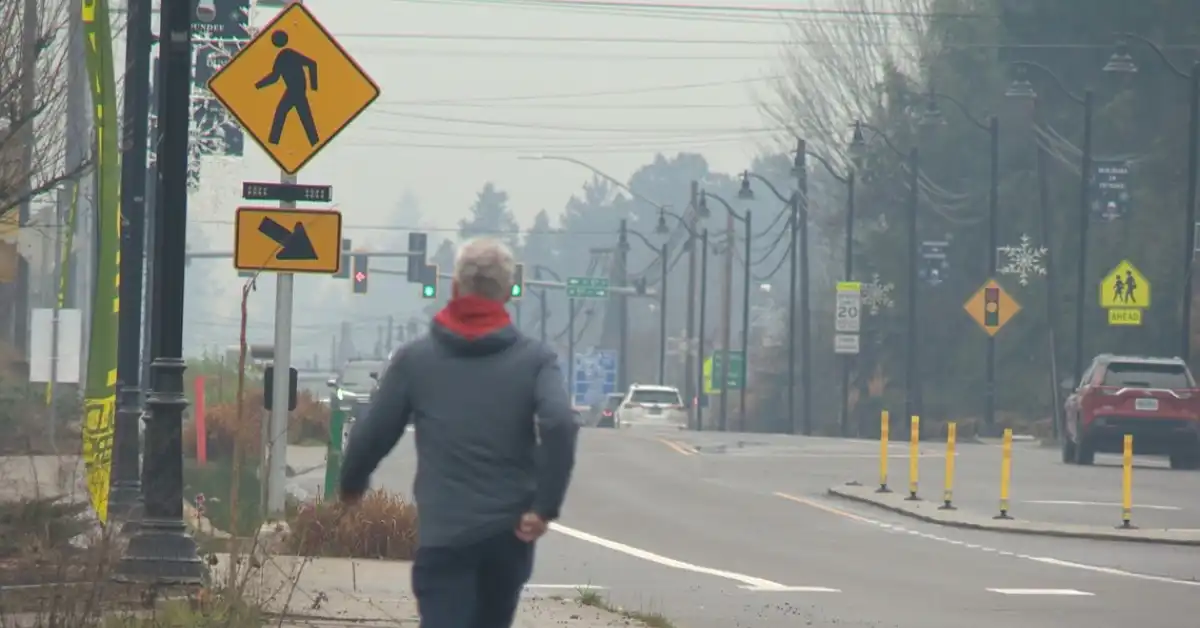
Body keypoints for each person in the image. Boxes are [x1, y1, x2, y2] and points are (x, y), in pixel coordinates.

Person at [339, 237, 579, 628]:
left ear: (454, 288)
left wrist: (352, 484)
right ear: (506, 293)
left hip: (444, 536)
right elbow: (560, 422)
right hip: (508, 538)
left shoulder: (416, 360)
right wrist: (544, 506)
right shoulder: (535, 360)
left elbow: (376, 430)